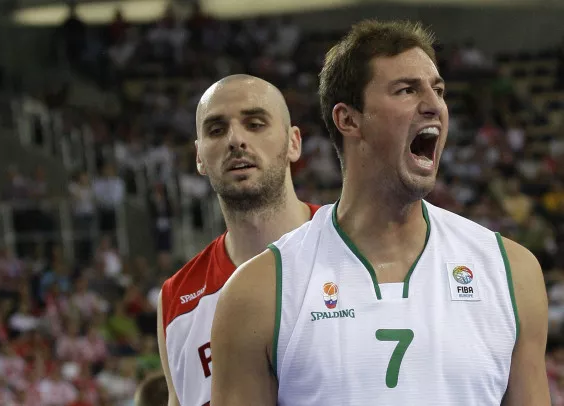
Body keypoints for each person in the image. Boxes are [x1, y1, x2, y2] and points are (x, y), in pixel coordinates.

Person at [210, 20, 550, 406]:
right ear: (348, 119)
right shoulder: (259, 291)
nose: (434, 106)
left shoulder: (511, 272)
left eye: (438, 90)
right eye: (407, 90)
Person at [152, 74, 321, 406]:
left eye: (255, 124)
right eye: (216, 130)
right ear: (199, 157)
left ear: (293, 143)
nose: (236, 140)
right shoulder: (177, 299)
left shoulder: (352, 247)